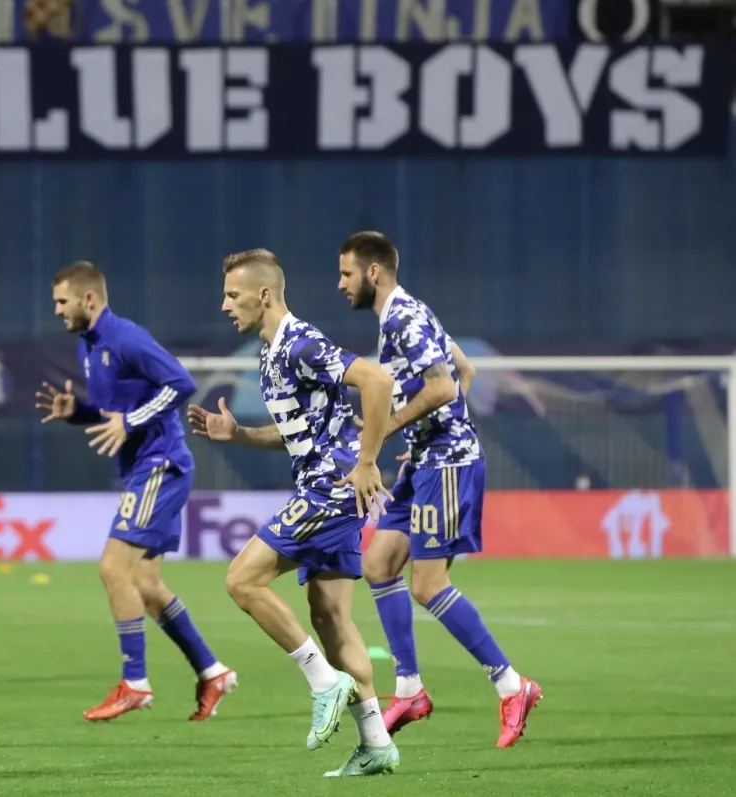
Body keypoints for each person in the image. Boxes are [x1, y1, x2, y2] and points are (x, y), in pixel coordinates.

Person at [187, 248, 401, 777]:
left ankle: (324, 683)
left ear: (264, 295)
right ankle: (376, 744)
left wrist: (369, 460)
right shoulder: (269, 352)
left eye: (232, 295)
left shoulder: (301, 342)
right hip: (324, 482)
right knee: (329, 616)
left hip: (331, 487)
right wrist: (237, 434)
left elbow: (377, 382)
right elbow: (291, 436)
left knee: (242, 581)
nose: (224, 305)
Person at [337, 230, 541, 748]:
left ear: (373, 272)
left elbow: (445, 385)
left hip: (448, 467)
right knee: (379, 563)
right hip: (428, 459)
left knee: (427, 585)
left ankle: (512, 685)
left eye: (346, 274)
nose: (341, 285)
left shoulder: (403, 318)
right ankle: (409, 689)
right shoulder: (409, 312)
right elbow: (463, 370)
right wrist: (432, 430)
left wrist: (391, 429)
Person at [36, 261, 236, 722]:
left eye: (62, 301)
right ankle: (212, 671)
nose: (57, 310)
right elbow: (116, 410)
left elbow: (181, 384)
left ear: (89, 299)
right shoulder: (90, 345)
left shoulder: (124, 337)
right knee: (145, 584)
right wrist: (80, 412)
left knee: (112, 569)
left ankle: (136, 682)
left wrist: (131, 421)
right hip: (146, 467)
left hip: (159, 465)